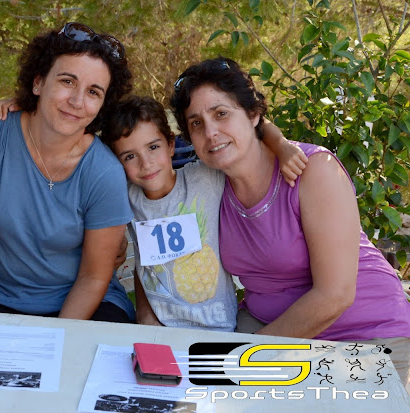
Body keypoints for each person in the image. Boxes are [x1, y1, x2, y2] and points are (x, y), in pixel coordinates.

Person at [171, 57, 410, 390]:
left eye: (221, 114)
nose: (210, 133)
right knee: (190, 390)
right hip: (270, 330)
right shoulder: (209, 184)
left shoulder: (314, 170)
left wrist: (245, 356)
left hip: (364, 335)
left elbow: (335, 295)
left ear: (253, 115)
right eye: (196, 123)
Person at [0, 22, 135, 322]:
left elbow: (92, 277)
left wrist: (56, 340)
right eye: (67, 81)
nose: (77, 101)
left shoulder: (104, 172)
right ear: (38, 83)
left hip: (82, 304)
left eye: (93, 92)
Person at [100, 96, 306, 330]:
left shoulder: (205, 176)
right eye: (130, 156)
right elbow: (143, 262)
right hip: (161, 331)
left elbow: (252, 122)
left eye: (153, 147)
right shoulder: (127, 198)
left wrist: (281, 145)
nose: (146, 163)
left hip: (219, 327)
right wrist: (145, 315)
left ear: (170, 144)